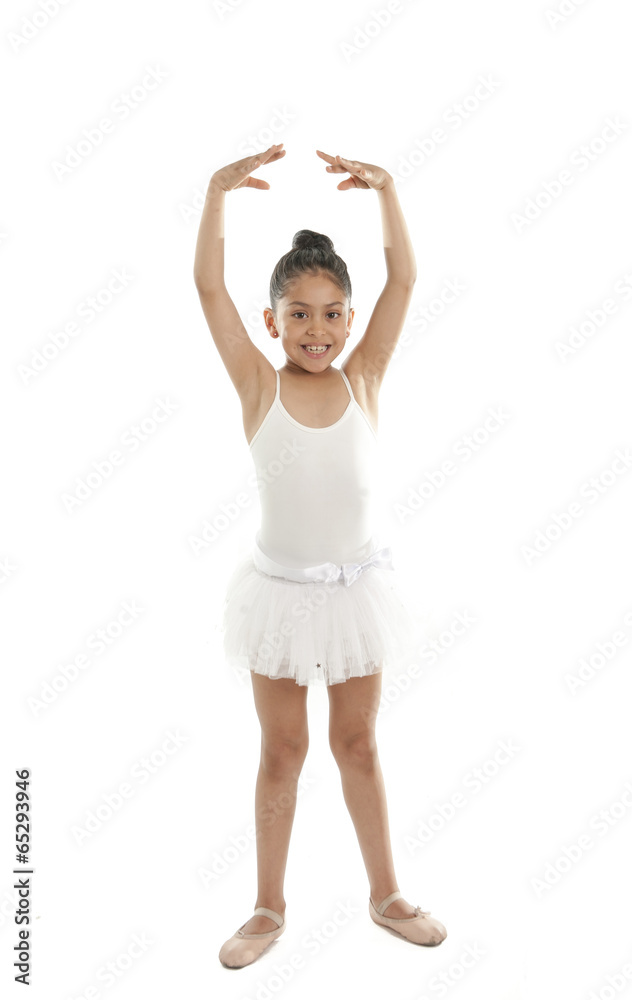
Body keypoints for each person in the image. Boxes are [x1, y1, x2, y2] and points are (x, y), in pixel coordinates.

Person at [193, 144, 447, 968]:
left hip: (355, 592)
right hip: (279, 593)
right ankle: (267, 906)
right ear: (272, 321)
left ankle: (386, 893)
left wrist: (389, 191)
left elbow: (405, 282)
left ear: (349, 318)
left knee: (359, 744)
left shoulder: (364, 377)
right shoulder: (257, 386)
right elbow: (207, 289)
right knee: (283, 750)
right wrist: (215, 196)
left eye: (333, 311)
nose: (317, 328)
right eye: (298, 312)